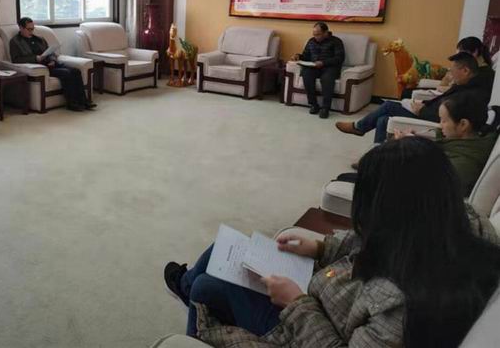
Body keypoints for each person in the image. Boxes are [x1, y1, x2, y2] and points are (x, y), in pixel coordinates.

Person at [163, 137, 500, 347]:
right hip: (325, 295)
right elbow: (376, 241)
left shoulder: (403, 311)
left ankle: (188, 289)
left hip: (307, 321)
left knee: (206, 288)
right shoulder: (455, 224)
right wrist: (322, 248)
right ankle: (186, 284)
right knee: (224, 251)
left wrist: (295, 303)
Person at [336, 51, 490, 143]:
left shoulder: (472, 93)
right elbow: (442, 102)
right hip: (428, 111)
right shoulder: (464, 85)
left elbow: (449, 116)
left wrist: (421, 110)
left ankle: (359, 128)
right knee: (383, 120)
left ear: (465, 71)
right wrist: (423, 103)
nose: (450, 74)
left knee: (389, 106)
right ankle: (375, 155)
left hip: (432, 120)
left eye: (452, 70)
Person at [394, 93, 498, 196]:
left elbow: (426, 188)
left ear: (463, 124)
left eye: (444, 121)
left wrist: (403, 150)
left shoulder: (460, 166)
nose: (440, 125)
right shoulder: (470, 144)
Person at [9, 17, 95, 112]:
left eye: (32, 29)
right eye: (29, 29)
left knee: (76, 71)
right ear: (21, 28)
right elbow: (16, 59)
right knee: (67, 73)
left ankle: (84, 101)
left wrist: (53, 60)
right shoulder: (15, 42)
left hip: (51, 64)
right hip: (42, 68)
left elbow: (50, 52)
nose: (31, 31)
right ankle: (72, 103)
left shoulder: (39, 39)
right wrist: (35, 58)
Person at [291, 22, 344, 119]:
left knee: (327, 79)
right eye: (314, 34)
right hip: (314, 67)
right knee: (306, 74)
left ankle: (325, 108)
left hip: (329, 67)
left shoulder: (336, 41)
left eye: (318, 35)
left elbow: (339, 58)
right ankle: (313, 105)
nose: (316, 37)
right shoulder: (311, 41)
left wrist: (323, 62)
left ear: (326, 32)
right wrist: (298, 56)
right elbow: (306, 56)